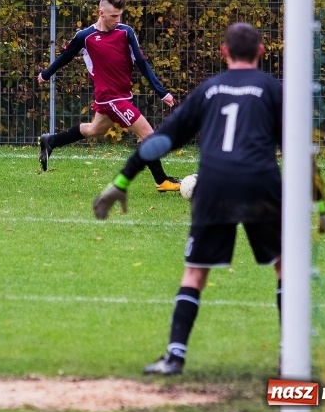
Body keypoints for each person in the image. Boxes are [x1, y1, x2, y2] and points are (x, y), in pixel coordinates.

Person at [93, 22, 284, 376]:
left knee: (195, 272)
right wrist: (320, 204)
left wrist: (122, 180)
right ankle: (291, 356)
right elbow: (301, 153)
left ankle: (175, 356)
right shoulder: (274, 90)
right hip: (262, 184)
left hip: (215, 186)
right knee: (283, 265)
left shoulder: (209, 91)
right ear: (261, 52)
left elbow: (161, 140)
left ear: (223, 53)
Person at [37, 0, 182, 192]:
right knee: (149, 135)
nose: (117, 19)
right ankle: (162, 181)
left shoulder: (125, 32)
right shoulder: (85, 37)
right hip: (109, 98)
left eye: (120, 15)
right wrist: (46, 73)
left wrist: (161, 91)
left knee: (95, 130)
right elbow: (65, 57)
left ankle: (51, 140)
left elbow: (141, 62)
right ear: (100, 13)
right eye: (113, 15)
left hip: (122, 95)